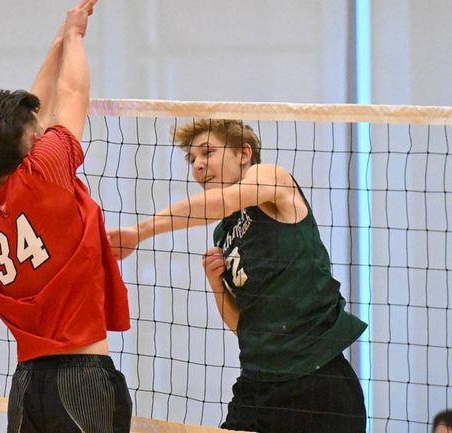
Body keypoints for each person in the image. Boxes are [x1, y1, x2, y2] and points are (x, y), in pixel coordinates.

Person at [106, 119, 368, 433]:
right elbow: (243, 326)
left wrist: (140, 231)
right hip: (258, 386)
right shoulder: (225, 232)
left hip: (317, 381)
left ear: (244, 153)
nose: (198, 165)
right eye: (192, 160)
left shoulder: (270, 177)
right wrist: (218, 287)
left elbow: (219, 203)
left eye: (207, 152)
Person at [0, 1, 132, 432]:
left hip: (27, 382)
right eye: (35, 133)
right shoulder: (45, 173)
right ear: (26, 150)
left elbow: (36, 110)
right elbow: (71, 97)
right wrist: (75, 37)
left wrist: (59, 35)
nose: (42, 130)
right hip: (82, 379)